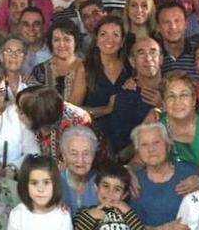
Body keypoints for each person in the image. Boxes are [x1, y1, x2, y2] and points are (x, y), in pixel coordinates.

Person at [129, 123, 197, 230]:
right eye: (144, 145)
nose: (151, 149)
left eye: (156, 142)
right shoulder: (133, 184)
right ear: (138, 150)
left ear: (168, 144)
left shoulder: (190, 174)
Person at [69, 15, 129, 155]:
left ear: (122, 41)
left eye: (115, 35)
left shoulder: (131, 67)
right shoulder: (86, 69)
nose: (109, 39)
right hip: (95, 143)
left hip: (128, 143)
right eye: (103, 34)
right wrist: (104, 110)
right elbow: (72, 111)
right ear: (96, 40)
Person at [150, 71, 199, 167]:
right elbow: (139, 161)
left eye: (184, 95)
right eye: (171, 96)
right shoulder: (156, 123)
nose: (177, 101)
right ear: (164, 102)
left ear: (194, 99)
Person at [15, 85, 103, 167]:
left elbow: (78, 163)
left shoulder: (77, 122)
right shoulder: (32, 123)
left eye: (22, 112)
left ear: (38, 115)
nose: (17, 114)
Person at [30, 19, 81, 100]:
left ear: (75, 42)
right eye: (56, 40)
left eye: (67, 39)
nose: (61, 44)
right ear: (51, 43)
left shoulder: (88, 68)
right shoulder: (39, 71)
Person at [158, 1, 198, 79]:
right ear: (158, 27)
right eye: (166, 22)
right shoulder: (152, 56)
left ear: (186, 24)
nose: (173, 26)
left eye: (177, 21)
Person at [18, 6, 52, 75]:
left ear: (44, 27)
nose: (31, 28)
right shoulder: (10, 52)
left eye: (36, 24)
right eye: (26, 24)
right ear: (19, 27)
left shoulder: (56, 50)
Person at [0, 34, 29, 100]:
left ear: (25, 58)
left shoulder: (30, 85)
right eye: (9, 51)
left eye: (19, 52)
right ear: (1, 56)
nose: (14, 56)